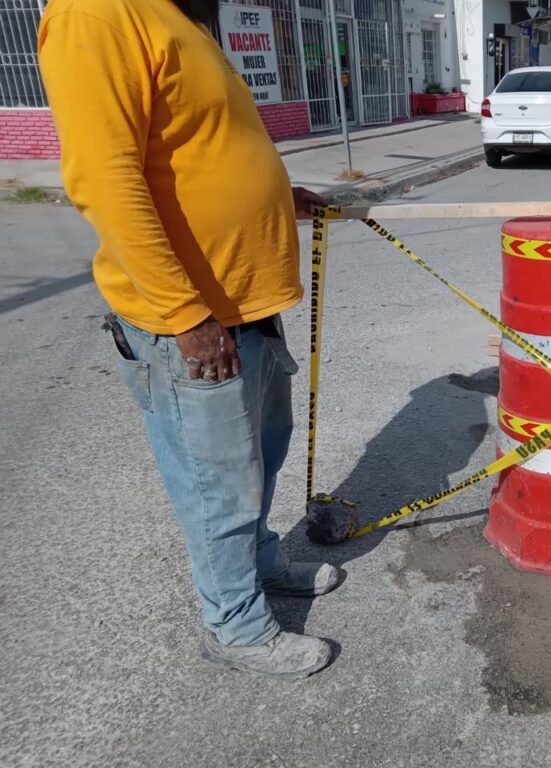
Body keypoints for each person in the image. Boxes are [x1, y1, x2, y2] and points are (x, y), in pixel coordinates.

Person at [39, 0, 338, 678]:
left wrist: (278, 194)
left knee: (261, 455)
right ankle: (235, 625)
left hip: (246, 301)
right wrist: (184, 315)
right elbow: (105, 178)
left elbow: (197, 145)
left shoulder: (178, 16)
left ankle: (259, 565)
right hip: (194, 321)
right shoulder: (96, 13)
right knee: (218, 484)